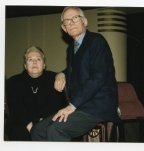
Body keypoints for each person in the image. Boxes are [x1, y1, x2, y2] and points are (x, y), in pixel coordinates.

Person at [31, 6, 119, 141]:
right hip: (81, 105)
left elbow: (98, 78)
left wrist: (72, 106)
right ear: (64, 28)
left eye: (75, 18)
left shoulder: (96, 41)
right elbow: (74, 69)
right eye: (66, 21)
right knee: (38, 129)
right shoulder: (71, 48)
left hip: (97, 106)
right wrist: (61, 74)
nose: (71, 23)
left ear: (84, 21)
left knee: (56, 129)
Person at [6, 46, 67, 141]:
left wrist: (42, 125)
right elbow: (16, 107)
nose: (34, 62)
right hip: (23, 125)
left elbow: (58, 104)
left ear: (44, 65)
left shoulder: (54, 78)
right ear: (25, 65)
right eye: (30, 59)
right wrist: (32, 128)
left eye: (38, 59)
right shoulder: (14, 81)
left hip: (48, 123)